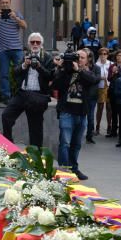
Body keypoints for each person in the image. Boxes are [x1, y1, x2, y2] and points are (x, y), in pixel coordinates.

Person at [1, 32, 54, 147]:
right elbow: (15, 73)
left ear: (42, 44)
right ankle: (8, 144)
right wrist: (24, 65)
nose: (35, 44)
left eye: (38, 42)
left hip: (38, 96)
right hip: (22, 93)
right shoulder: (25, 55)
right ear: (29, 44)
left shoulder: (47, 57)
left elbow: (50, 76)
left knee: (35, 129)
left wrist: (39, 67)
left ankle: (36, 157)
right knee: (6, 116)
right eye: (32, 42)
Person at [51, 48, 97, 179]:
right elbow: (55, 85)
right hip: (67, 112)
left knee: (76, 144)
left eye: (82, 58)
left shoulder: (88, 73)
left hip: (82, 114)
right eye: (77, 57)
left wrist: (78, 70)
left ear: (87, 60)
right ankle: (64, 170)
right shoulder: (66, 71)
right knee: (65, 143)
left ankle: (74, 168)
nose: (79, 60)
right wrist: (62, 69)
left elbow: (92, 81)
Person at [94, 48, 112, 136]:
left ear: (107, 55)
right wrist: (101, 77)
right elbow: (94, 76)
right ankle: (97, 126)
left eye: (105, 54)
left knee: (109, 107)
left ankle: (109, 126)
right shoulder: (96, 65)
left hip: (109, 87)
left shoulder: (111, 64)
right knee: (100, 107)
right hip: (100, 87)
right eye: (101, 54)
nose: (103, 55)